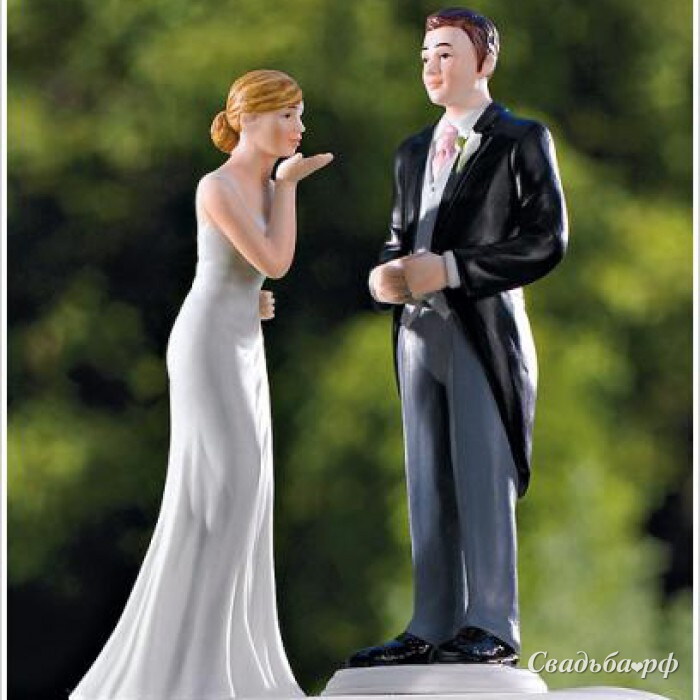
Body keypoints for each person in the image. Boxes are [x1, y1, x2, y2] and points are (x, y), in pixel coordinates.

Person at [69, 69, 333, 699]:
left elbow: (248, 275)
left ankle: (224, 666)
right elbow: (275, 261)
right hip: (208, 347)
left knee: (248, 499)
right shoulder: (218, 186)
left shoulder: (259, 185)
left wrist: (252, 301)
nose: (299, 128)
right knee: (224, 493)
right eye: (287, 115)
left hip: (243, 345)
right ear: (250, 118)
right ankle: (189, 674)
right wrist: (288, 187)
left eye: (300, 115)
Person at [347, 8, 568, 668]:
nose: (432, 67)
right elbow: (399, 235)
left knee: (481, 472)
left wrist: (451, 269)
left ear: (484, 60)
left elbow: (545, 240)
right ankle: (431, 620)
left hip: (481, 328)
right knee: (427, 479)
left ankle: (492, 621)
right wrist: (385, 275)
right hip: (418, 333)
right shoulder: (412, 151)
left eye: (446, 54)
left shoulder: (521, 140)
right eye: (426, 56)